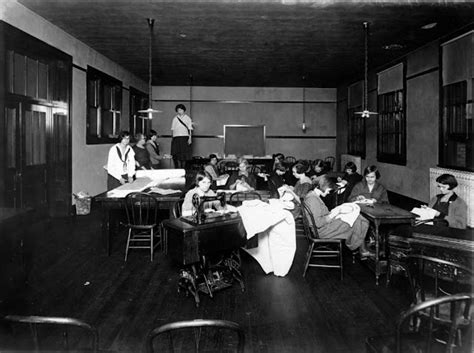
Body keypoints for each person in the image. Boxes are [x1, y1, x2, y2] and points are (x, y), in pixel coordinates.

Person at [304, 175, 370, 257]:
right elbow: (318, 223)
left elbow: (320, 216)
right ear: (323, 186)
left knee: (355, 218)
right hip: (322, 231)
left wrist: (336, 212)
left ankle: (360, 247)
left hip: (322, 228)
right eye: (329, 189)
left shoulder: (312, 195)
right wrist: (336, 212)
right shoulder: (313, 199)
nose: (329, 192)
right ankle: (359, 248)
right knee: (358, 220)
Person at [171, 104, 193, 169]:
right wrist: (173, 139)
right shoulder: (175, 118)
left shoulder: (188, 118)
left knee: (184, 155)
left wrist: (190, 138)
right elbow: (172, 129)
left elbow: (190, 129)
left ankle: (183, 169)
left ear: (184, 110)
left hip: (184, 137)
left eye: (181, 110)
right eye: (178, 110)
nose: (179, 111)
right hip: (176, 138)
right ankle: (177, 169)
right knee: (176, 155)